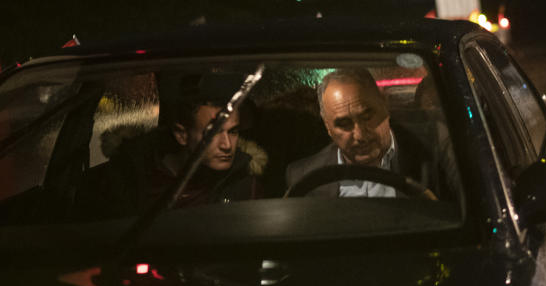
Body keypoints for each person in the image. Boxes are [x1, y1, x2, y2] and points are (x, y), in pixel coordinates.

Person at [75, 74, 263, 218]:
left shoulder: (242, 183)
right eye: (212, 133)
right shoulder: (129, 179)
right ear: (182, 135)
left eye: (233, 132)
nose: (227, 145)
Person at [285, 68, 434, 198]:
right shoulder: (303, 177)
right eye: (344, 124)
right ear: (327, 127)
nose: (360, 136)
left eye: (367, 117)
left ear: (385, 104)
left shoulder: (434, 153)